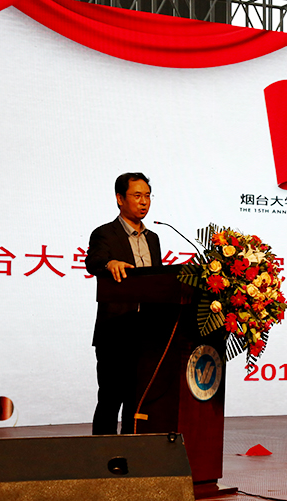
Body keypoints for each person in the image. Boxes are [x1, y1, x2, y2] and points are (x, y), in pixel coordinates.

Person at [85, 172, 161, 435]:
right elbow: (93, 262)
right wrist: (110, 263)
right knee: (110, 399)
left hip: (147, 333)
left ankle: (132, 451)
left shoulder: (153, 238)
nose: (144, 202)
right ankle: (102, 454)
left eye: (147, 196)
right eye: (137, 196)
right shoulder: (105, 234)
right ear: (120, 198)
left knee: (137, 401)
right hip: (116, 332)